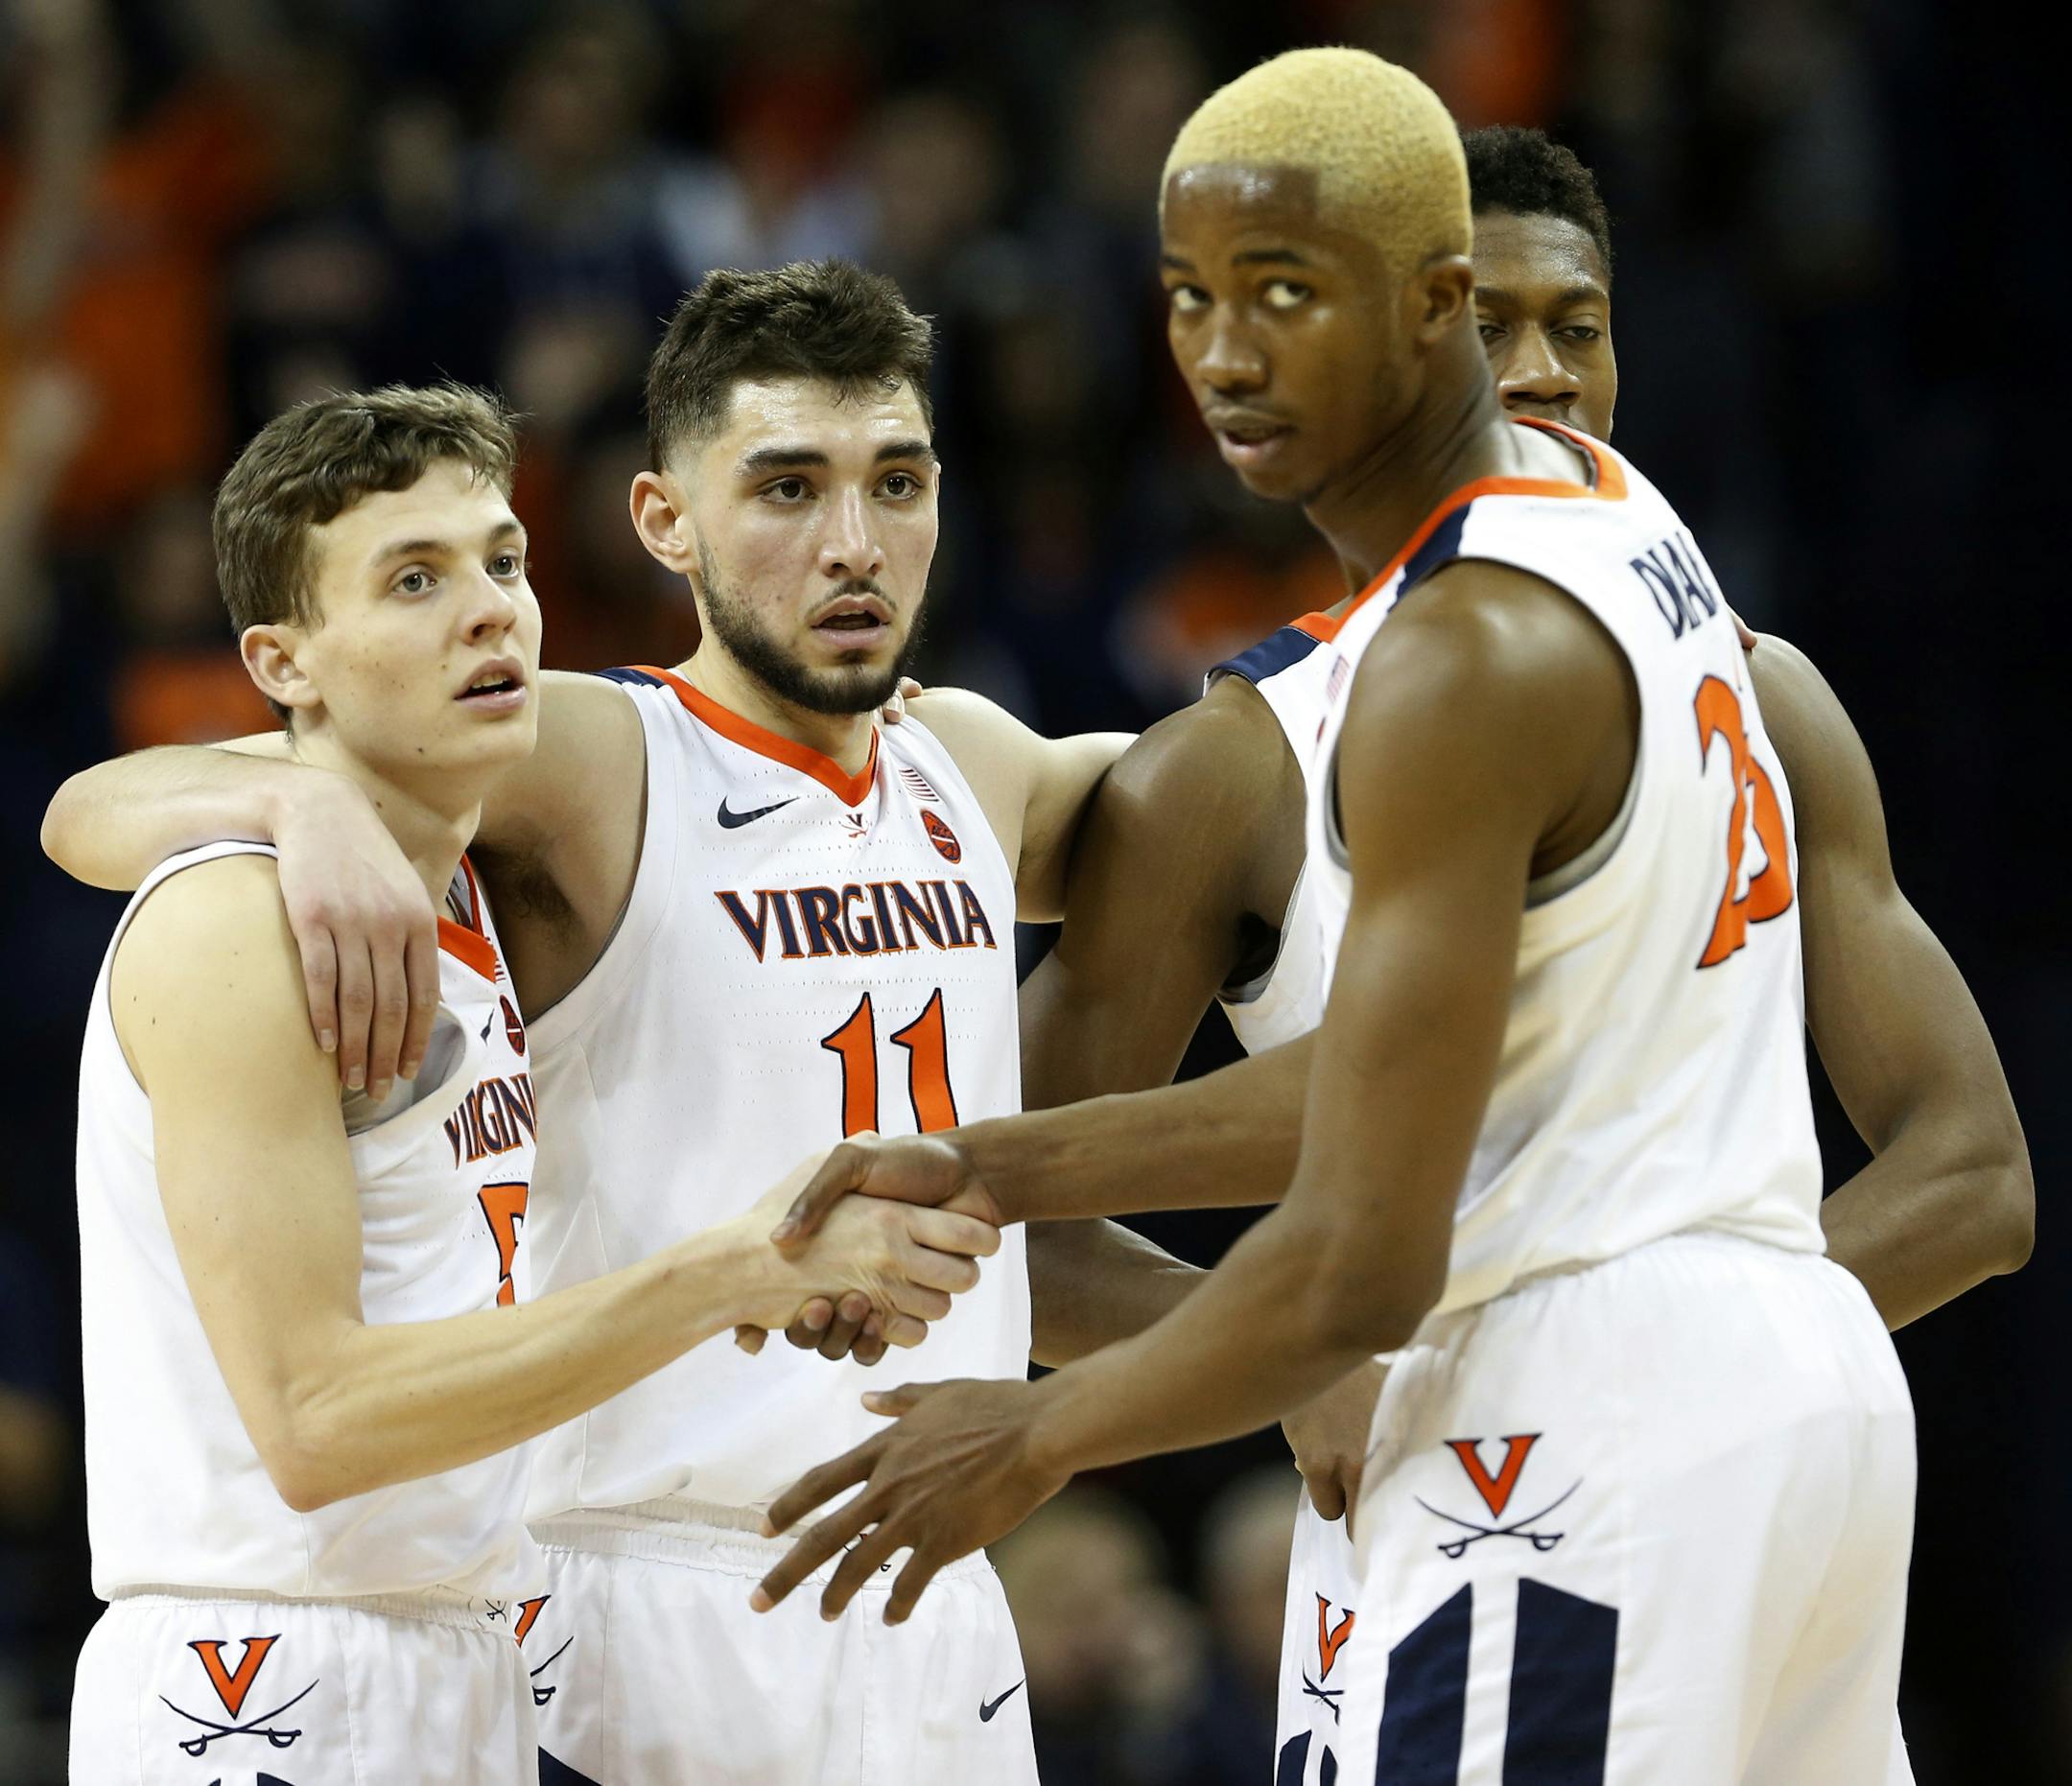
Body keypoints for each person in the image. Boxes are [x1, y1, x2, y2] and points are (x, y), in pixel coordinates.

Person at [752, 50, 1980, 1779]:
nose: (1227, 356)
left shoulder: (1462, 657)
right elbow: (1394, 1074)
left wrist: (1037, 1435)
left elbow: (1365, 1254)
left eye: (1285, 299)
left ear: (1436, 312)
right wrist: (997, 1166)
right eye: (1192, 301)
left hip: (1557, 1418)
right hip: (1804, 1398)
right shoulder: (1631, 534)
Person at [42, 263, 1125, 1784]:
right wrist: (291, 795)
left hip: (773, 1596)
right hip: (551, 1594)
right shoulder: (582, 763)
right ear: (664, 520)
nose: (852, 541)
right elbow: (96, 803)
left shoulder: (967, 764)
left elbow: (1240, 805)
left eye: (898, 482)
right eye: (790, 488)